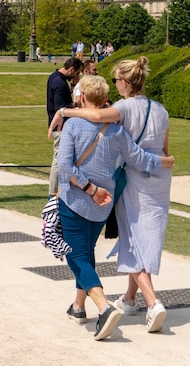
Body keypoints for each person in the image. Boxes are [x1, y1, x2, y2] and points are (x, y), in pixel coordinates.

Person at [49, 56, 171, 333]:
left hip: (85, 196)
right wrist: (163, 162)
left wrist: (64, 112)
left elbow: (67, 164)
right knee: (88, 250)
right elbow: (145, 154)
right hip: (115, 198)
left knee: (79, 254)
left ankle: (105, 307)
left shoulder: (89, 120)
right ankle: (80, 306)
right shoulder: (133, 122)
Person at [47, 57, 83, 196]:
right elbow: (60, 108)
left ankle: (55, 191)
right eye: (77, 73)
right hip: (60, 127)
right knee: (58, 159)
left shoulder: (54, 77)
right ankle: (53, 192)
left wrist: (72, 87)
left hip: (56, 125)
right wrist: (75, 106)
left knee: (58, 159)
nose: (77, 76)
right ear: (71, 69)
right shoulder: (60, 83)